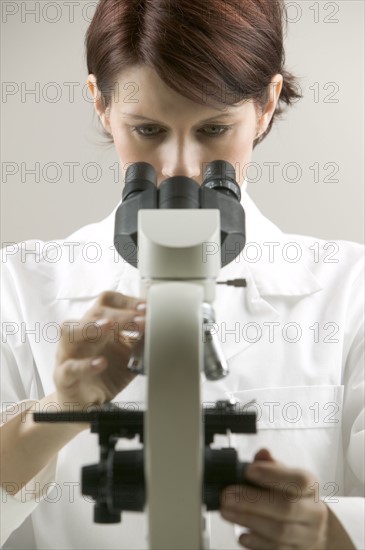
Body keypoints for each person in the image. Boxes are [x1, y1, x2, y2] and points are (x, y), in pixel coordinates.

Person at [1, 0, 363, 548]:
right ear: (100, 102)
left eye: (214, 129)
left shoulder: (350, 288)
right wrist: (60, 410)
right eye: (146, 129)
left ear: (265, 104)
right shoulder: (20, 285)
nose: (180, 169)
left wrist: (332, 533)